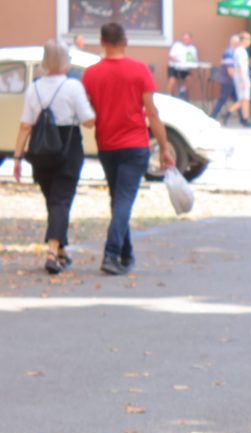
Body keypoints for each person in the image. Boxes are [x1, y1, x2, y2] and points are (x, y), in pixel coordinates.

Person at [80, 22, 174, 275]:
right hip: (135, 144)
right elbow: (152, 113)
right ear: (125, 42)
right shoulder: (139, 70)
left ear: (102, 42)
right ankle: (111, 254)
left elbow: (86, 113)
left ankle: (126, 254)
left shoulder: (91, 75)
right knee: (122, 200)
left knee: (119, 199)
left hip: (107, 145)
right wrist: (164, 147)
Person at [11, 39, 95, 274]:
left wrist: (17, 157)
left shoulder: (34, 88)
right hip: (67, 148)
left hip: (40, 150)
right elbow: (88, 121)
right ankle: (52, 252)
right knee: (61, 201)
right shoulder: (73, 87)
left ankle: (60, 251)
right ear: (65, 62)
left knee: (53, 200)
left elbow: (25, 125)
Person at [167, 31, 197, 97]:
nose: (185, 40)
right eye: (184, 39)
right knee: (172, 80)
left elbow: (194, 60)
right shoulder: (177, 45)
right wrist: (176, 60)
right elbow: (171, 56)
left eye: (187, 39)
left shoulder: (192, 49)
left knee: (190, 79)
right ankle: (169, 95)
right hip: (174, 67)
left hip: (185, 68)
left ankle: (182, 91)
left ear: (190, 40)